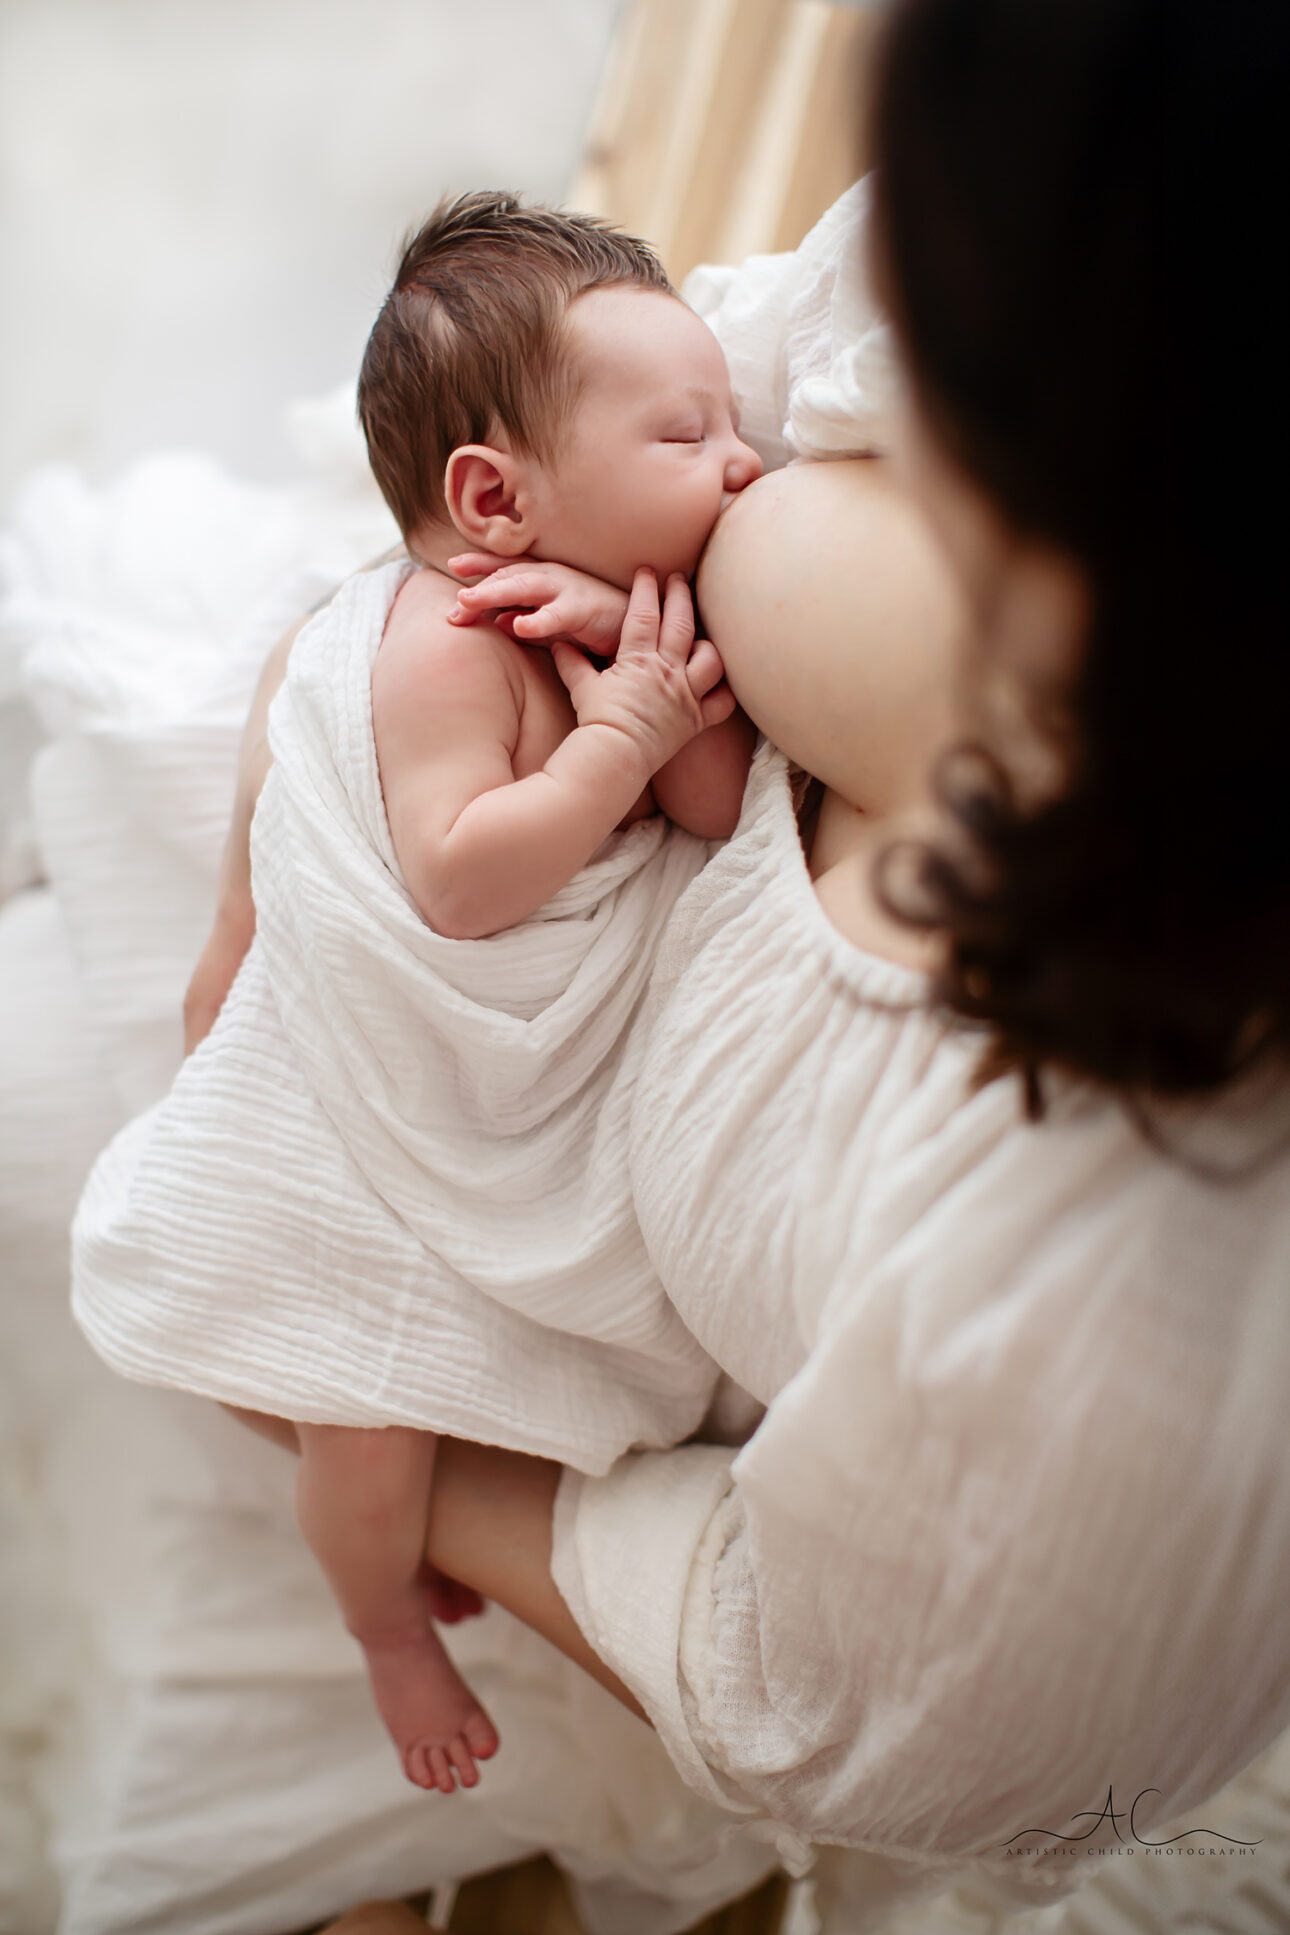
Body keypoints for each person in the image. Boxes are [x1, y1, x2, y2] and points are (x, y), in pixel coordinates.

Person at [180, 0, 1289, 1923]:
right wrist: (313, 767)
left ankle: (381, 1612)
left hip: (519, 1358)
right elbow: (621, 421)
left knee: (255, 1393)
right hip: (384, 970)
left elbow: (890, 1728)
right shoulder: (1095, 208)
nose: (761, 451)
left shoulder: (1134, 1309)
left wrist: (358, 1424)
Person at [71, 193, 763, 1799]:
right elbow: (459, 877)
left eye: (732, 425)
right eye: (687, 434)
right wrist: (618, 742)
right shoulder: (433, 648)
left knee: (439, 1392)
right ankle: (381, 1621)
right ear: (490, 497)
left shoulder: (609, 612)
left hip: (488, 1098)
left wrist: (639, 688)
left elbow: (718, 811)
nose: (741, 466)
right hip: (358, 1139)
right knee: (363, 1432)